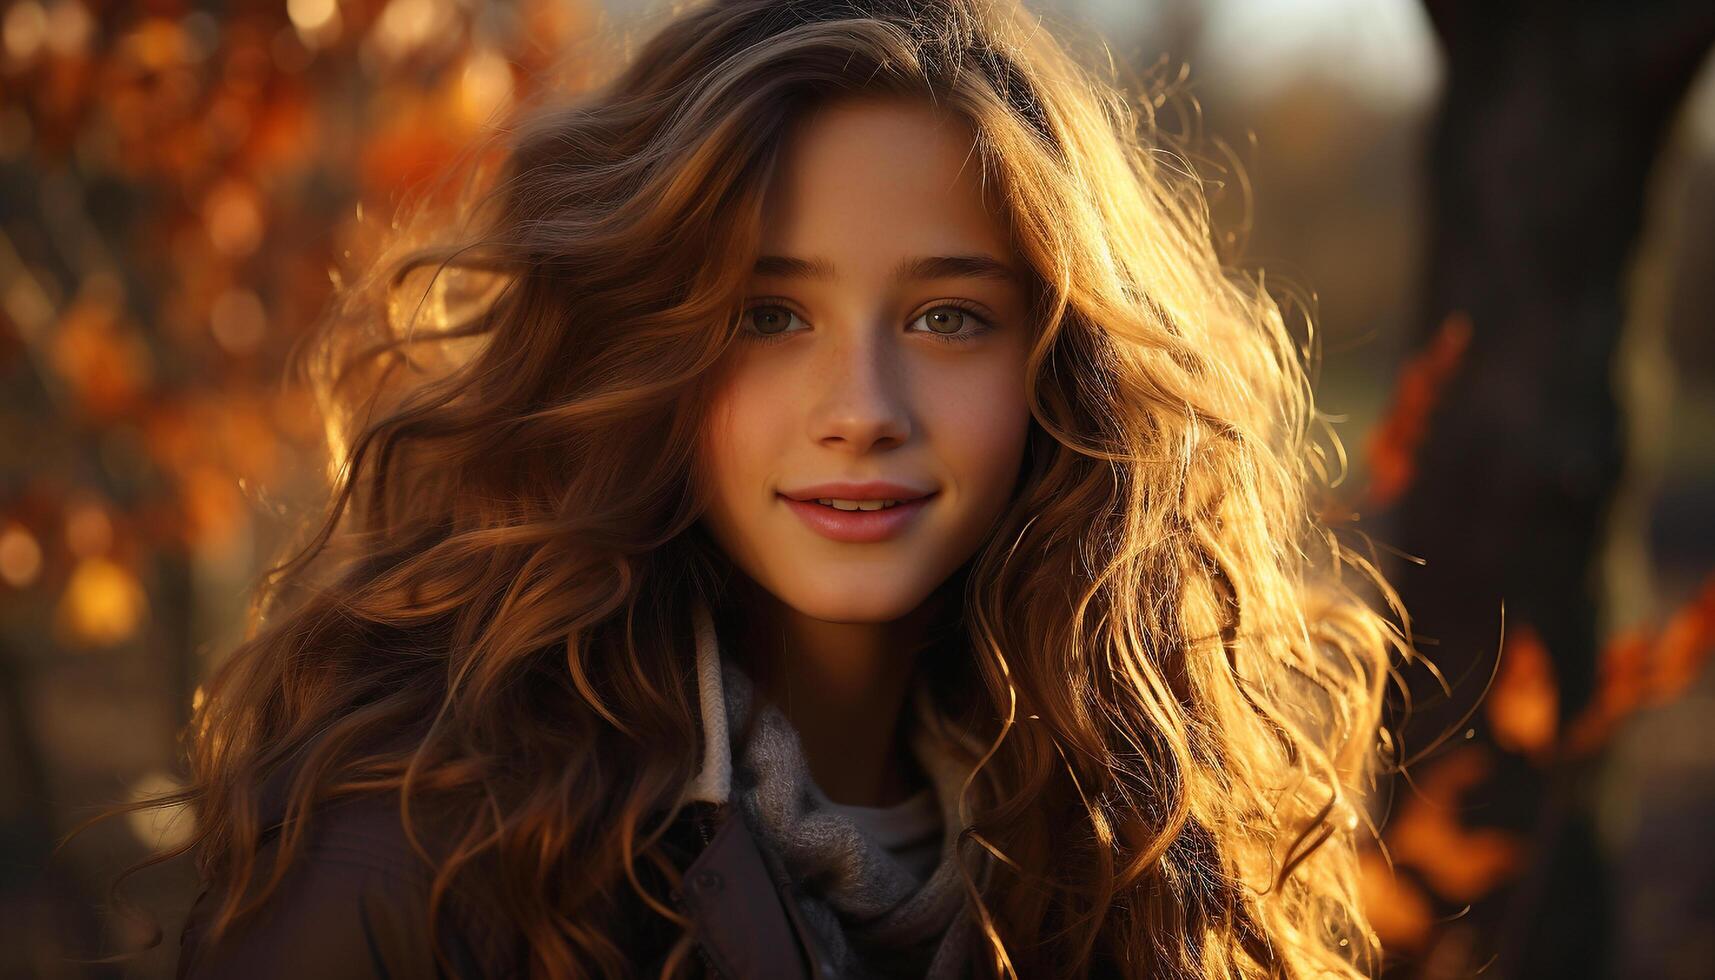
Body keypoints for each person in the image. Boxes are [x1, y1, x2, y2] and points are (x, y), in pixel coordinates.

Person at [110, 0, 1404, 976]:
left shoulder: (1125, 830)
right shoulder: (427, 846)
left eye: (950, 317)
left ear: (1062, 370)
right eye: (767, 313)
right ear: (645, 342)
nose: (862, 411)